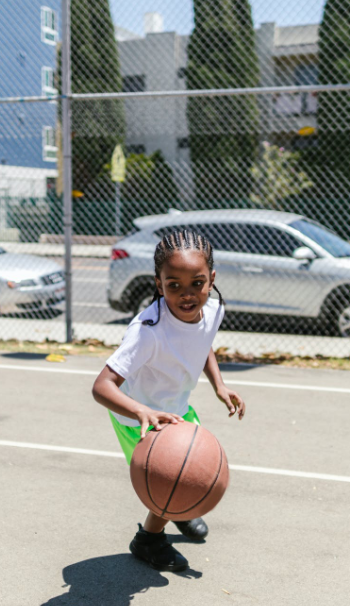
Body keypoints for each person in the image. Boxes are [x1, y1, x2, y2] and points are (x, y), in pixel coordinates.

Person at [91, 228, 246, 571]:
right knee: (169, 477)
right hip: (138, 417)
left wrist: (219, 385)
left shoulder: (214, 309)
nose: (187, 294)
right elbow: (102, 387)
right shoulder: (147, 331)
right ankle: (148, 540)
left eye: (197, 283)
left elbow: (201, 343)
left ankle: (180, 508)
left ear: (212, 279)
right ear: (159, 285)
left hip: (177, 408)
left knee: (190, 474)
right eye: (174, 285)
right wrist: (141, 410)